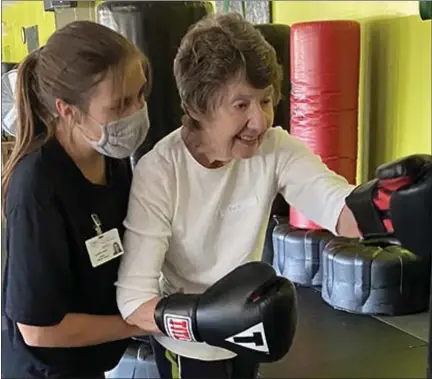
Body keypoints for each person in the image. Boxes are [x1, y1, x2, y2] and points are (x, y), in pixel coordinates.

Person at [115, 12, 432, 379]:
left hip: (249, 335)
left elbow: (338, 209)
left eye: (265, 101)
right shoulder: (160, 172)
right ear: (197, 106)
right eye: (241, 104)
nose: (260, 121)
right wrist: (209, 321)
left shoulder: (274, 148)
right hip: (187, 349)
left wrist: (390, 203)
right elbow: (134, 302)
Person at [1, 20, 152, 379]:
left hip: (91, 363)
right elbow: (38, 329)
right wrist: (144, 322)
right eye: (120, 105)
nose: (136, 112)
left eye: (140, 95)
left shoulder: (112, 159)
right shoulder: (37, 188)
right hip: (44, 371)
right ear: (67, 110)